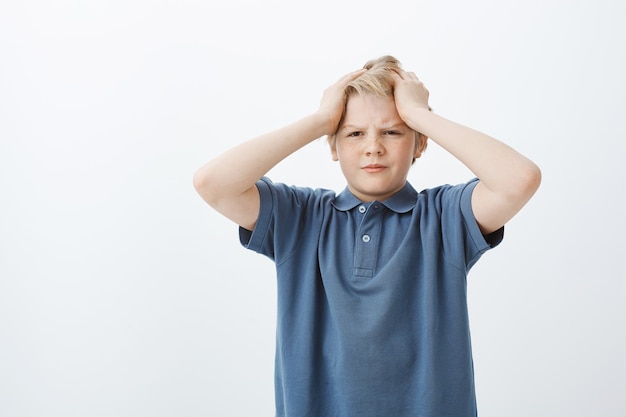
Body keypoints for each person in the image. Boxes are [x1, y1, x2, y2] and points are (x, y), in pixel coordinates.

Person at [193, 55, 541, 417]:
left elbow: (519, 179)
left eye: (392, 131)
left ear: (420, 145)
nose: (373, 146)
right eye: (354, 133)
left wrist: (420, 115)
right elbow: (213, 183)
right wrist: (320, 121)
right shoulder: (299, 216)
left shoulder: (444, 216)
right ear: (333, 146)